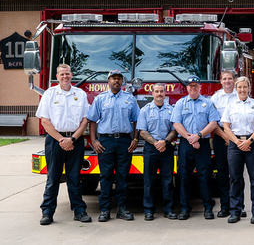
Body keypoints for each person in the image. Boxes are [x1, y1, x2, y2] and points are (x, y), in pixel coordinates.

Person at [36, 64, 91, 225]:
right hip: (55, 141)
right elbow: (45, 121)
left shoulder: (80, 94)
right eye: (62, 74)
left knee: (75, 178)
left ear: (71, 75)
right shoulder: (50, 94)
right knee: (53, 177)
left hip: (75, 140)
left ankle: (79, 211)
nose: (65, 76)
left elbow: (84, 120)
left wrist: (72, 139)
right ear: (57, 76)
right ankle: (47, 212)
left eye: (67, 74)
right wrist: (62, 140)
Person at [88, 69, 140, 222]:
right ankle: (104, 210)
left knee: (123, 176)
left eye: (119, 78)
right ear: (108, 81)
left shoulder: (130, 99)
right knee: (106, 176)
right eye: (113, 78)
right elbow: (92, 120)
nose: (116, 81)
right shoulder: (100, 99)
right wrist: (94, 141)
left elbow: (137, 120)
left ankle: (122, 209)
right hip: (106, 141)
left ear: (122, 81)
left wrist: (135, 139)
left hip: (125, 140)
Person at [172, 75, 219, 220]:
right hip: (186, 143)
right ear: (187, 88)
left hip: (202, 143)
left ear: (200, 87)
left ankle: (208, 208)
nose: (193, 88)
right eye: (190, 86)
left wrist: (198, 136)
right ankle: (185, 208)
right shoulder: (180, 103)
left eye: (195, 86)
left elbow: (213, 123)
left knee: (204, 176)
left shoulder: (208, 103)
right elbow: (176, 124)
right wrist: (190, 138)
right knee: (184, 176)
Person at [221, 76, 254, 224]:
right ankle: (235, 211)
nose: (242, 90)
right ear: (236, 88)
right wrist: (237, 141)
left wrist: (249, 141)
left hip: (252, 144)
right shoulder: (231, 106)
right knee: (235, 179)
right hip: (235, 144)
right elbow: (226, 126)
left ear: (249, 88)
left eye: (244, 87)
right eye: (239, 87)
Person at [136, 83, 178, 221]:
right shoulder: (145, 110)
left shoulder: (171, 110)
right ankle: (148, 210)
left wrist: (164, 142)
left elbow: (174, 129)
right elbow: (142, 131)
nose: (159, 94)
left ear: (165, 93)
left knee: (167, 181)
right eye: (156, 91)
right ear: (152, 93)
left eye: (161, 91)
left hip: (167, 148)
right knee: (149, 180)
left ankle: (168, 210)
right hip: (150, 148)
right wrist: (156, 143)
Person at [211, 70, 246, 218]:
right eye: (224, 79)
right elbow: (212, 121)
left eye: (230, 79)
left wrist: (232, 138)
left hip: (238, 138)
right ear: (220, 81)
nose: (227, 81)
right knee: (222, 173)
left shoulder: (240, 95)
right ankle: (225, 206)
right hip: (220, 138)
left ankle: (239, 206)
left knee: (237, 173)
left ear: (234, 80)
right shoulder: (215, 98)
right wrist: (225, 136)